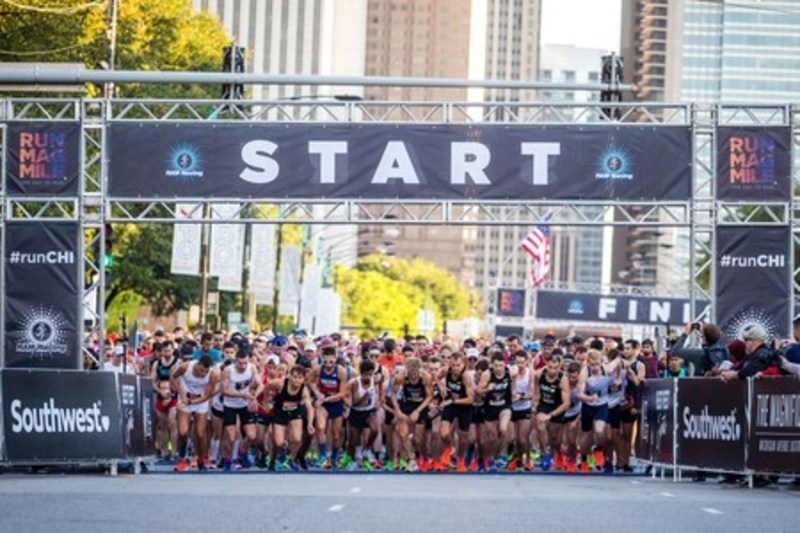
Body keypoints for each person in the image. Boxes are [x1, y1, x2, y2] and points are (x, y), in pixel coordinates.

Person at [170, 355, 220, 472]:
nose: (203, 374)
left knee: (200, 433)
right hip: (184, 397)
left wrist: (192, 401)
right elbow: (173, 378)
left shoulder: (214, 374)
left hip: (200, 401)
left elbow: (207, 395)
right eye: (201, 370)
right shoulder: (185, 367)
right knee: (183, 431)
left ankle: (201, 459)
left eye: (206, 372)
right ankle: (182, 457)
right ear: (198, 364)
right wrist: (181, 394)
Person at [267, 365, 315, 471]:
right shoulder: (280, 383)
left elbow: (310, 408)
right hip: (280, 413)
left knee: (297, 439)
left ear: (304, 379)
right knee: (278, 443)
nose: (296, 380)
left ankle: (291, 459)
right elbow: (267, 386)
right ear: (289, 376)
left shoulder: (304, 390)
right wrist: (266, 401)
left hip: (294, 413)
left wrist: (310, 423)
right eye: (294, 377)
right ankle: (273, 459)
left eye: (299, 378)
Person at [221, 349, 263, 470]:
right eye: (240, 363)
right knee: (231, 436)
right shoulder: (228, 371)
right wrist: (241, 395)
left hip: (245, 405)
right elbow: (223, 391)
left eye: (245, 363)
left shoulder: (252, 368)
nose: (243, 366)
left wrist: (254, 397)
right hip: (230, 405)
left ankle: (242, 453)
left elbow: (260, 384)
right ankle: (227, 460)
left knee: (251, 436)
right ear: (236, 362)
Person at [308, 345, 349, 469]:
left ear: (335, 359)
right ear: (322, 359)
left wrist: (325, 398)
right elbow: (311, 381)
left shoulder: (341, 371)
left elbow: (342, 393)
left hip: (336, 402)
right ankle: (323, 456)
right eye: (325, 362)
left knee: (336, 434)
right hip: (323, 404)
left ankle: (334, 457)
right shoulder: (318, 369)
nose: (328, 365)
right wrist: (317, 393)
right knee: (320, 427)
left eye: (331, 362)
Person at [392, 357, 434, 472]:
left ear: (419, 370)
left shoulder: (426, 377)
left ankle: (411, 452)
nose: (413, 376)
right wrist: (398, 411)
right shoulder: (400, 377)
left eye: (415, 373)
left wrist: (418, 410)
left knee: (417, 440)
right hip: (406, 405)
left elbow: (429, 396)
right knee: (402, 433)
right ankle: (412, 460)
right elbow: (393, 396)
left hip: (420, 406)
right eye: (411, 373)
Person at [437, 351, 474, 473]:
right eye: (453, 365)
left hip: (463, 405)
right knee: (443, 433)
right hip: (450, 404)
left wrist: (453, 401)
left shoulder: (465, 377)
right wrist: (441, 386)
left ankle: (460, 459)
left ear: (463, 364)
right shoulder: (445, 371)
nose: (455, 368)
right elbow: (436, 377)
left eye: (458, 365)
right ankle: (449, 448)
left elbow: (470, 399)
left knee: (463, 438)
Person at [533, 353, 570, 471]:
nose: (552, 370)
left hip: (558, 406)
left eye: (555, 368)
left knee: (555, 438)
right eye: (550, 367)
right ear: (546, 365)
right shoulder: (539, 374)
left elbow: (566, 403)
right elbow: (535, 387)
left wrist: (551, 415)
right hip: (544, 404)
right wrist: (535, 401)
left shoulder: (562, 379)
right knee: (540, 424)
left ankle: (557, 454)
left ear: (559, 367)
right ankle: (545, 453)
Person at [477, 352, 513, 471]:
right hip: (490, 407)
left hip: (504, 406)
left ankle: (502, 455)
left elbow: (521, 374)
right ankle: (492, 458)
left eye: (501, 365)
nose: (498, 368)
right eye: (496, 365)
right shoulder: (487, 374)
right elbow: (478, 391)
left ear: (504, 364)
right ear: (492, 365)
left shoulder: (510, 371)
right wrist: (487, 389)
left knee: (503, 429)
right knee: (492, 438)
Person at [345, 359, 382, 471]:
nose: (368, 377)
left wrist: (379, 401)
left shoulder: (375, 380)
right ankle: (356, 457)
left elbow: (381, 392)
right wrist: (365, 396)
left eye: (370, 374)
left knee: (375, 429)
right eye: (366, 374)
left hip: (369, 411)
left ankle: (368, 449)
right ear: (361, 373)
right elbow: (354, 402)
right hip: (356, 411)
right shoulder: (354, 383)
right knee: (353, 439)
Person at [151, 342, 179, 460]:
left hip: (173, 396)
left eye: (169, 351)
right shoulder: (157, 364)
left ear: (173, 350)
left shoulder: (177, 363)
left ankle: (173, 451)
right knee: (162, 425)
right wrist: (160, 392)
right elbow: (151, 381)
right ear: (161, 351)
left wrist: (171, 394)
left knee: (172, 422)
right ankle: (164, 451)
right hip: (161, 395)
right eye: (165, 351)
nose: (167, 353)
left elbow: (179, 381)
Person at [509, 349, 535, 471]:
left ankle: (528, 460)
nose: (519, 365)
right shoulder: (511, 371)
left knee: (523, 438)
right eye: (517, 362)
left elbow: (534, 394)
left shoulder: (530, 373)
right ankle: (518, 459)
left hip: (525, 407)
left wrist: (522, 397)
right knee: (514, 438)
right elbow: (509, 390)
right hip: (513, 408)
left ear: (526, 362)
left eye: (522, 362)